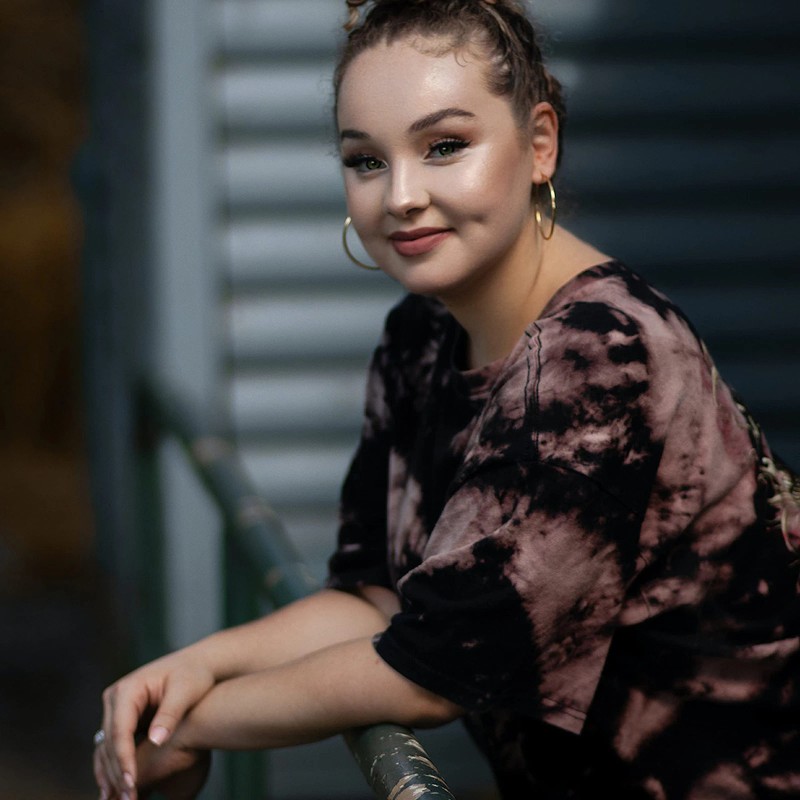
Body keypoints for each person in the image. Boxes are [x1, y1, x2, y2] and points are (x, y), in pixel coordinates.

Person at [93, 1, 800, 798]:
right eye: (366, 160)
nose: (400, 196)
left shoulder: (606, 357)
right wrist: (190, 670)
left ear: (540, 144)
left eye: (444, 147)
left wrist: (190, 725)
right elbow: (376, 598)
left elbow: (436, 670)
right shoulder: (422, 336)